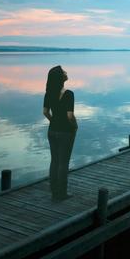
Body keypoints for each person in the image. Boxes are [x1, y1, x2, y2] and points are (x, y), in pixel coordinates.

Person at [42, 65, 78, 201]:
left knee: (55, 161)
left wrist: (54, 121)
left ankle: (54, 191)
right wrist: (75, 126)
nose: (66, 72)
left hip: (52, 130)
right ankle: (61, 194)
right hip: (66, 132)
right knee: (63, 163)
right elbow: (70, 116)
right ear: (60, 77)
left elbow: (45, 112)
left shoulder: (48, 93)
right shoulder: (69, 94)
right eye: (63, 71)